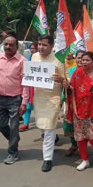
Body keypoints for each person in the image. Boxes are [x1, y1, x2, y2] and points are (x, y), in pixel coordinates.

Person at [0, 34, 28, 164]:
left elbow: (25, 83)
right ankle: (14, 138)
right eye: (6, 44)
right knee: (0, 125)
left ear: (17, 47)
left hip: (15, 99)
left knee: (14, 126)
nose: (8, 47)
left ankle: (13, 153)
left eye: (11, 45)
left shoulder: (22, 61)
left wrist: (24, 102)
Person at [31, 34, 65, 172]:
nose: (41, 47)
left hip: (53, 99)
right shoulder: (34, 57)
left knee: (49, 127)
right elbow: (30, 74)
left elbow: (67, 82)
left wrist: (61, 79)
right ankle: (54, 138)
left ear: (51, 46)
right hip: (39, 98)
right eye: (39, 44)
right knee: (42, 126)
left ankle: (47, 159)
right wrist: (25, 75)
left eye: (44, 45)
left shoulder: (59, 60)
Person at [63, 50, 84, 156]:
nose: (80, 60)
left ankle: (85, 148)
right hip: (71, 100)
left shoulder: (91, 71)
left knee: (85, 125)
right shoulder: (71, 70)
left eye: (82, 58)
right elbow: (66, 83)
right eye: (78, 58)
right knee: (70, 124)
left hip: (85, 103)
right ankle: (74, 145)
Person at [19, 42, 38, 132]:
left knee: (39, 108)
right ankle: (26, 123)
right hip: (30, 86)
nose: (32, 50)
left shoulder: (41, 59)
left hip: (39, 87)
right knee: (28, 106)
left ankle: (43, 128)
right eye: (31, 48)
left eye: (34, 48)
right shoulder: (28, 58)